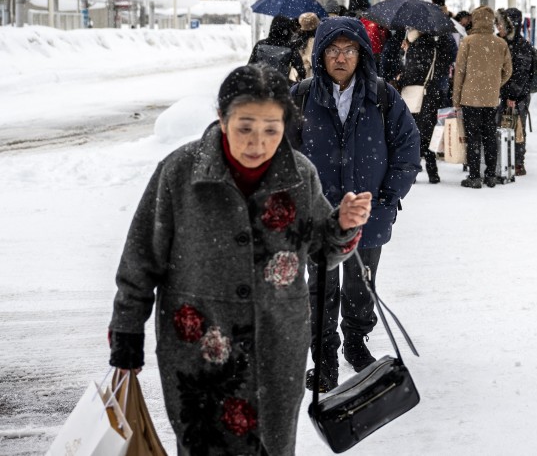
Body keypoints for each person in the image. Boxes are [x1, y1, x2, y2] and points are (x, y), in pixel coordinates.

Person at [108, 64, 371, 455]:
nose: (257, 142)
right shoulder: (180, 172)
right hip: (200, 348)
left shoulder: (300, 174)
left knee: (272, 445)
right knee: (204, 445)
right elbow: (141, 258)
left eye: (271, 129)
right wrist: (127, 332)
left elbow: (322, 252)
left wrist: (343, 225)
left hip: (278, 342)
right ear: (222, 117)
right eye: (245, 127)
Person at [291, 17, 421, 392]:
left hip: (369, 212)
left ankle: (356, 341)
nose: (341, 57)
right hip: (319, 217)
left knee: (361, 286)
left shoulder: (382, 95)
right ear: (320, 54)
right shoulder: (301, 96)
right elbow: (283, 153)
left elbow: (407, 148)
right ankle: (325, 358)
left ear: (361, 53)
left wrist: (387, 196)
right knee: (320, 288)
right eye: (333, 49)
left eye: (349, 50)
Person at [452, 5, 512, 188]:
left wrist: (456, 98)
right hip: (491, 98)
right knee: (490, 136)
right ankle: (491, 175)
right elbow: (508, 71)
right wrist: (495, 84)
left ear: (475, 20)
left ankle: (475, 176)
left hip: (470, 98)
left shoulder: (468, 41)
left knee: (473, 138)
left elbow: (459, 71)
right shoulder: (501, 43)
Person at [399, 27, 445, 183]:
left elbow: (413, 72)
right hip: (430, 95)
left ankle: (413, 172)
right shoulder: (433, 46)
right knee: (428, 135)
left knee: (414, 136)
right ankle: (433, 172)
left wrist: (400, 79)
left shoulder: (417, 47)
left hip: (416, 96)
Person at [497, 8, 535, 176]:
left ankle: (518, 162)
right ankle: (506, 160)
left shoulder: (521, 46)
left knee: (516, 127)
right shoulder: (503, 43)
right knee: (504, 126)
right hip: (505, 94)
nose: (499, 27)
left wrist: (512, 96)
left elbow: (520, 74)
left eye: (502, 24)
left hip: (517, 96)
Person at [249, 15, 304, 83]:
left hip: (261, 84)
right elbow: (301, 71)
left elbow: (250, 66)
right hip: (280, 86)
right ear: (287, 30)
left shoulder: (260, 44)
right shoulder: (290, 47)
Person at [290, 12, 319, 81]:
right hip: (309, 76)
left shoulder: (296, 40)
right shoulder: (315, 41)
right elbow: (312, 61)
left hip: (296, 76)